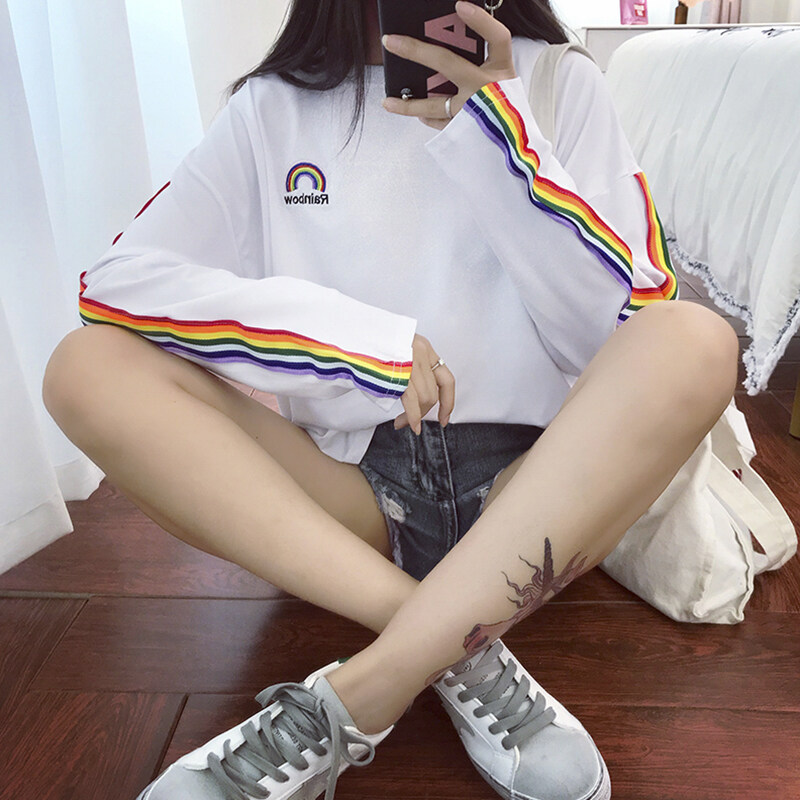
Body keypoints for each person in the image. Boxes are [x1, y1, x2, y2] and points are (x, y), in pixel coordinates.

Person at [41, 1, 739, 799]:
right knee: (85, 367)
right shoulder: (273, 107)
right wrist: (359, 347)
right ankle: (458, 645)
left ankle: (361, 694)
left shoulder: (558, 81)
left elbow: (618, 328)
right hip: (355, 497)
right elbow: (118, 284)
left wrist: (498, 133)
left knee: (693, 339)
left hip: (535, 492)